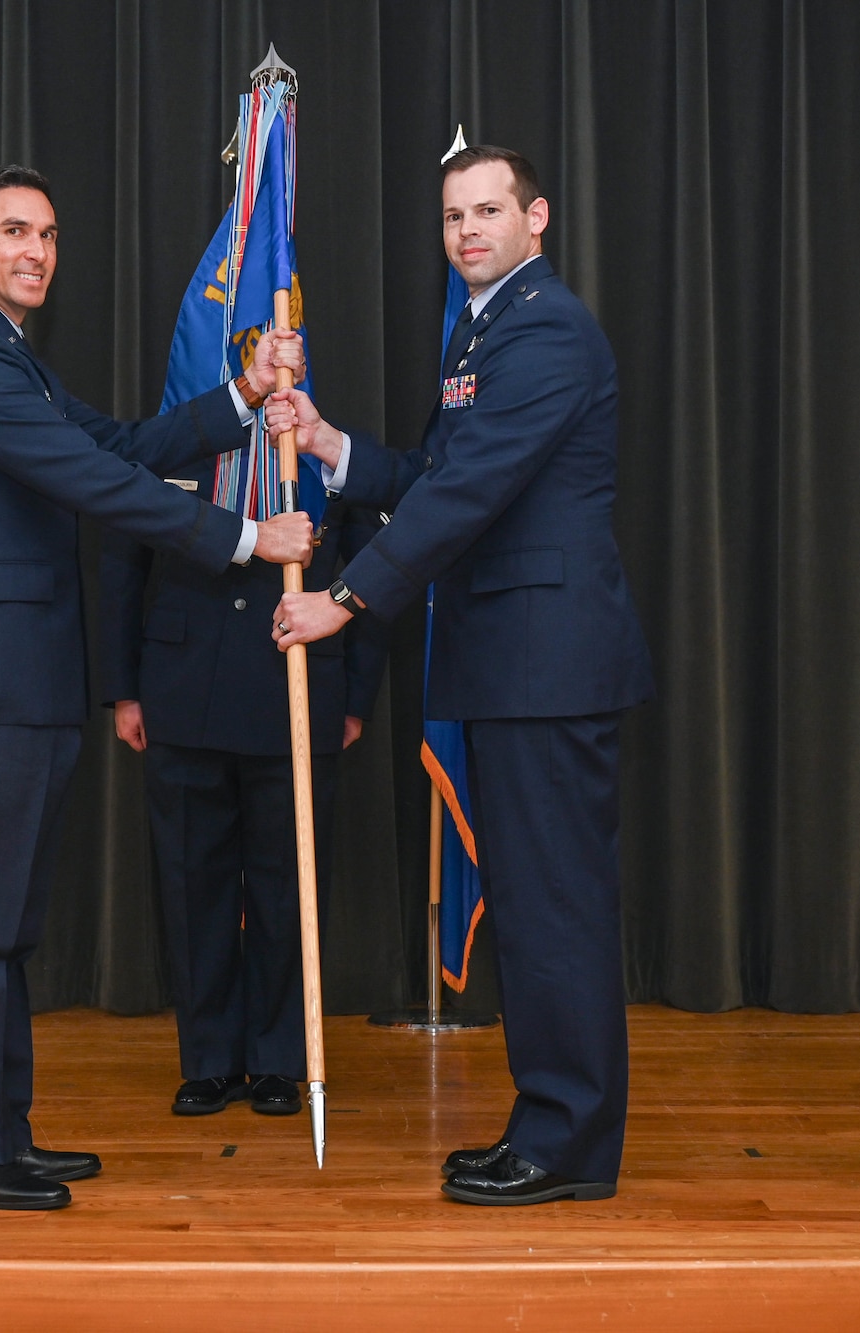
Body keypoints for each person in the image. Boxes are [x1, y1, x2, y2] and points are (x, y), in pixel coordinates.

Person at [0, 164, 312, 1211]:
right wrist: (249, 536)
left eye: (49, 234)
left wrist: (244, 394)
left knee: (6, 927)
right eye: (15, 231)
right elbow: (98, 484)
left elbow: (123, 444)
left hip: (23, 681)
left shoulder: (6, 355)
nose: (36, 251)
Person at [267, 146, 654, 1206]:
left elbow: (472, 488)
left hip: (548, 663)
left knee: (556, 908)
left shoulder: (545, 328)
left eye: (488, 210)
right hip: (506, 662)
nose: (467, 230)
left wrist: (343, 601)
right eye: (451, 216)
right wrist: (332, 443)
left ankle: (569, 1143)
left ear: (536, 218)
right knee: (532, 907)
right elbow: (433, 475)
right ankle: (547, 1122)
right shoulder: (486, 328)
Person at [98, 488, 385, 1118]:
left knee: (288, 884)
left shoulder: (324, 455)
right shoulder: (176, 446)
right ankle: (209, 1061)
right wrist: (123, 689)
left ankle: (280, 1058)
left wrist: (356, 696)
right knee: (191, 881)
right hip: (181, 684)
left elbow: (369, 563)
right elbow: (123, 564)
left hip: (296, 683)